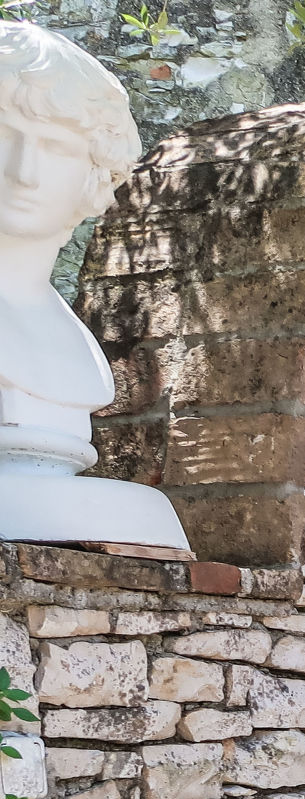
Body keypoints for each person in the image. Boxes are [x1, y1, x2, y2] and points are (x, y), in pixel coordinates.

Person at [0, 21, 143, 475]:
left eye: (56, 148)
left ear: (95, 172)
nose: (23, 171)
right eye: (3, 135)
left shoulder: (77, 350)